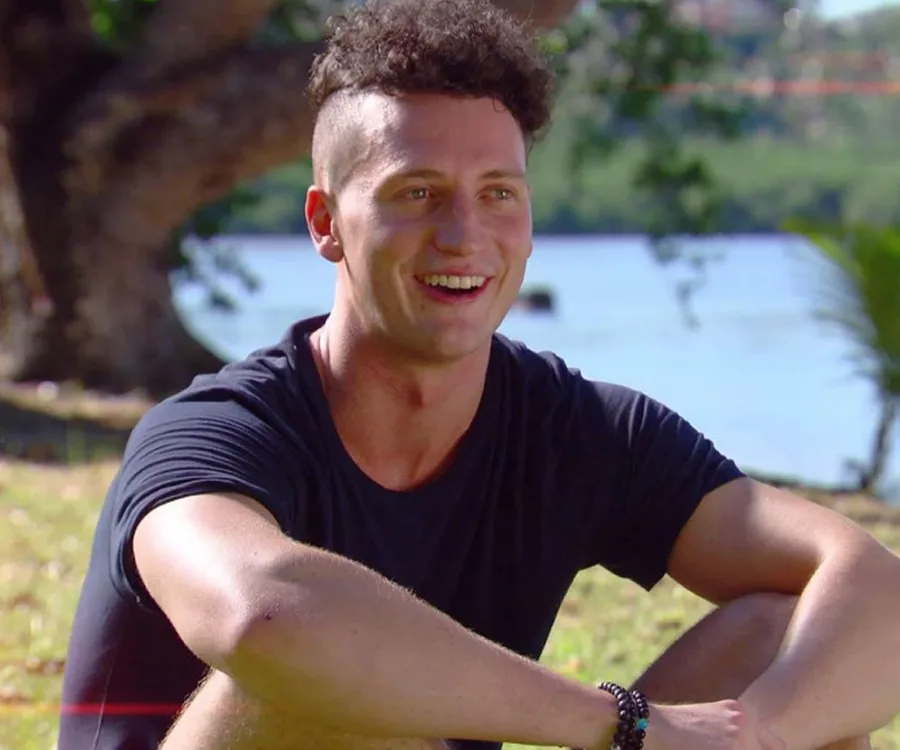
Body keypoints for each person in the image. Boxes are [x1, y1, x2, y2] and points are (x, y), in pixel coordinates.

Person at [58, 0, 900, 748]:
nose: (465, 236)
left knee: (787, 642)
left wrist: (757, 737)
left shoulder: (581, 429)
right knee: (314, 679)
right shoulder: (213, 433)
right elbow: (264, 618)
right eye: (417, 193)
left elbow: (874, 591)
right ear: (326, 223)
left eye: (498, 193)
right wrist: (622, 726)